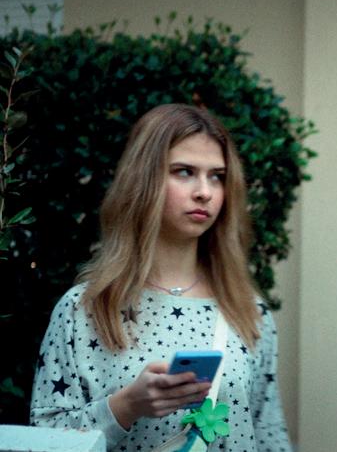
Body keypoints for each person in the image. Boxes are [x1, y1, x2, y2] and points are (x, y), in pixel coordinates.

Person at [30, 104, 291, 451]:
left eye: (217, 176)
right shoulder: (85, 309)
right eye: (184, 172)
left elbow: (269, 434)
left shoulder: (248, 311)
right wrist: (126, 406)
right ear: (144, 179)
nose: (205, 191)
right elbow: (45, 439)